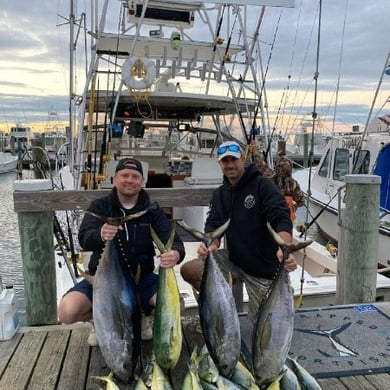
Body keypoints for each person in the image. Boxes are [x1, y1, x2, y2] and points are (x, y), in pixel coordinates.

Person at [57, 158, 185, 342]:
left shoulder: (151, 210)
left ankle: (144, 317)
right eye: (124, 175)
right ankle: (99, 321)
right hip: (104, 278)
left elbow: (175, 242)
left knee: (176, 306)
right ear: (115, 178)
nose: (129, 180)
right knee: (66, 313)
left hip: (143, 277)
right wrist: (100, 234)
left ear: (142, 181)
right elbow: (84, 239)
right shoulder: (100, 207)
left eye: (135, 176)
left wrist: (175, 254)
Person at [180, 141, 297, 321]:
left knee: (262, 328)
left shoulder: (262, 185)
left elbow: (281, 217)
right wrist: (210, 244)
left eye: (233, 159)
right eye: (225, 161)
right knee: (190, 269)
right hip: (234, 260)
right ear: (220, 164)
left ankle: (275, 296)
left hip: (264, 269)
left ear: (243, 159)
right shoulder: (220, 194)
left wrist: (284, 246)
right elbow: (213, 224)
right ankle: (223, 308)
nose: (230, 165)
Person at [272, 154, 305, 223]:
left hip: (273, 216)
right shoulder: (293, 183)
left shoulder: (270, 180)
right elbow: (301, 201)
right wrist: (295, 207)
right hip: (287, 218)